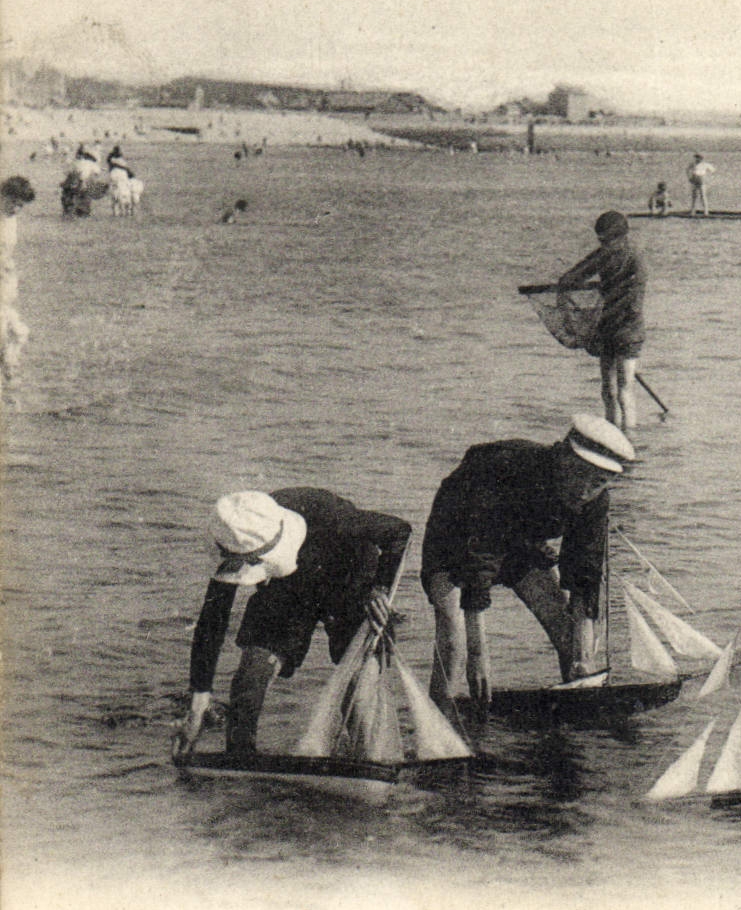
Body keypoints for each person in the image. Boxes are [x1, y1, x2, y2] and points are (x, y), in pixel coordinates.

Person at [420, 416, 636, 712]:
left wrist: (582, 658)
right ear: (562, 456)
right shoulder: (508, 466)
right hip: (456, 539)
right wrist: (478, 654)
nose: (583, 490)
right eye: (578, 474)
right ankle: (439, 721)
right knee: (454, 640)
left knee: (568, 632)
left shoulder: (594, 502)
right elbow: (479, 557)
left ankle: (572, 721)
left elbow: (584, 576)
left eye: (597, 482)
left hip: (520, 543)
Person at [173, 489, 412, 756]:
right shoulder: (236, 532)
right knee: (253, 671)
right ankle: (240, 757)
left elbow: (400, 531)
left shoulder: (336, 521)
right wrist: (198, 703)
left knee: (359, 685)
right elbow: (211, 624)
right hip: (286, 588)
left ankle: (368, 759)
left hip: (350, 578)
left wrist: (379, 589)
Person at [555, 210, 646, 431]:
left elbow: (570, 278)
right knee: (614, 389)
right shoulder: (629, 256)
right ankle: (619, 434)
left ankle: (623, 437)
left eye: (605, 239)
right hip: (618, 329)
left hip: (619, 330)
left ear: (618, 237)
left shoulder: (612, 256)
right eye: (602, 240)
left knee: (618, 390)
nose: (604, 244)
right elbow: (636, 297)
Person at [2, 176, 36, 398]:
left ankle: (11, 388)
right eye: (14, 202)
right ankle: (10, 381)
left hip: (4, 282)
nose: (17, 208)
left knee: (18, 334)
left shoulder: (11, 219)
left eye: (21, 205)